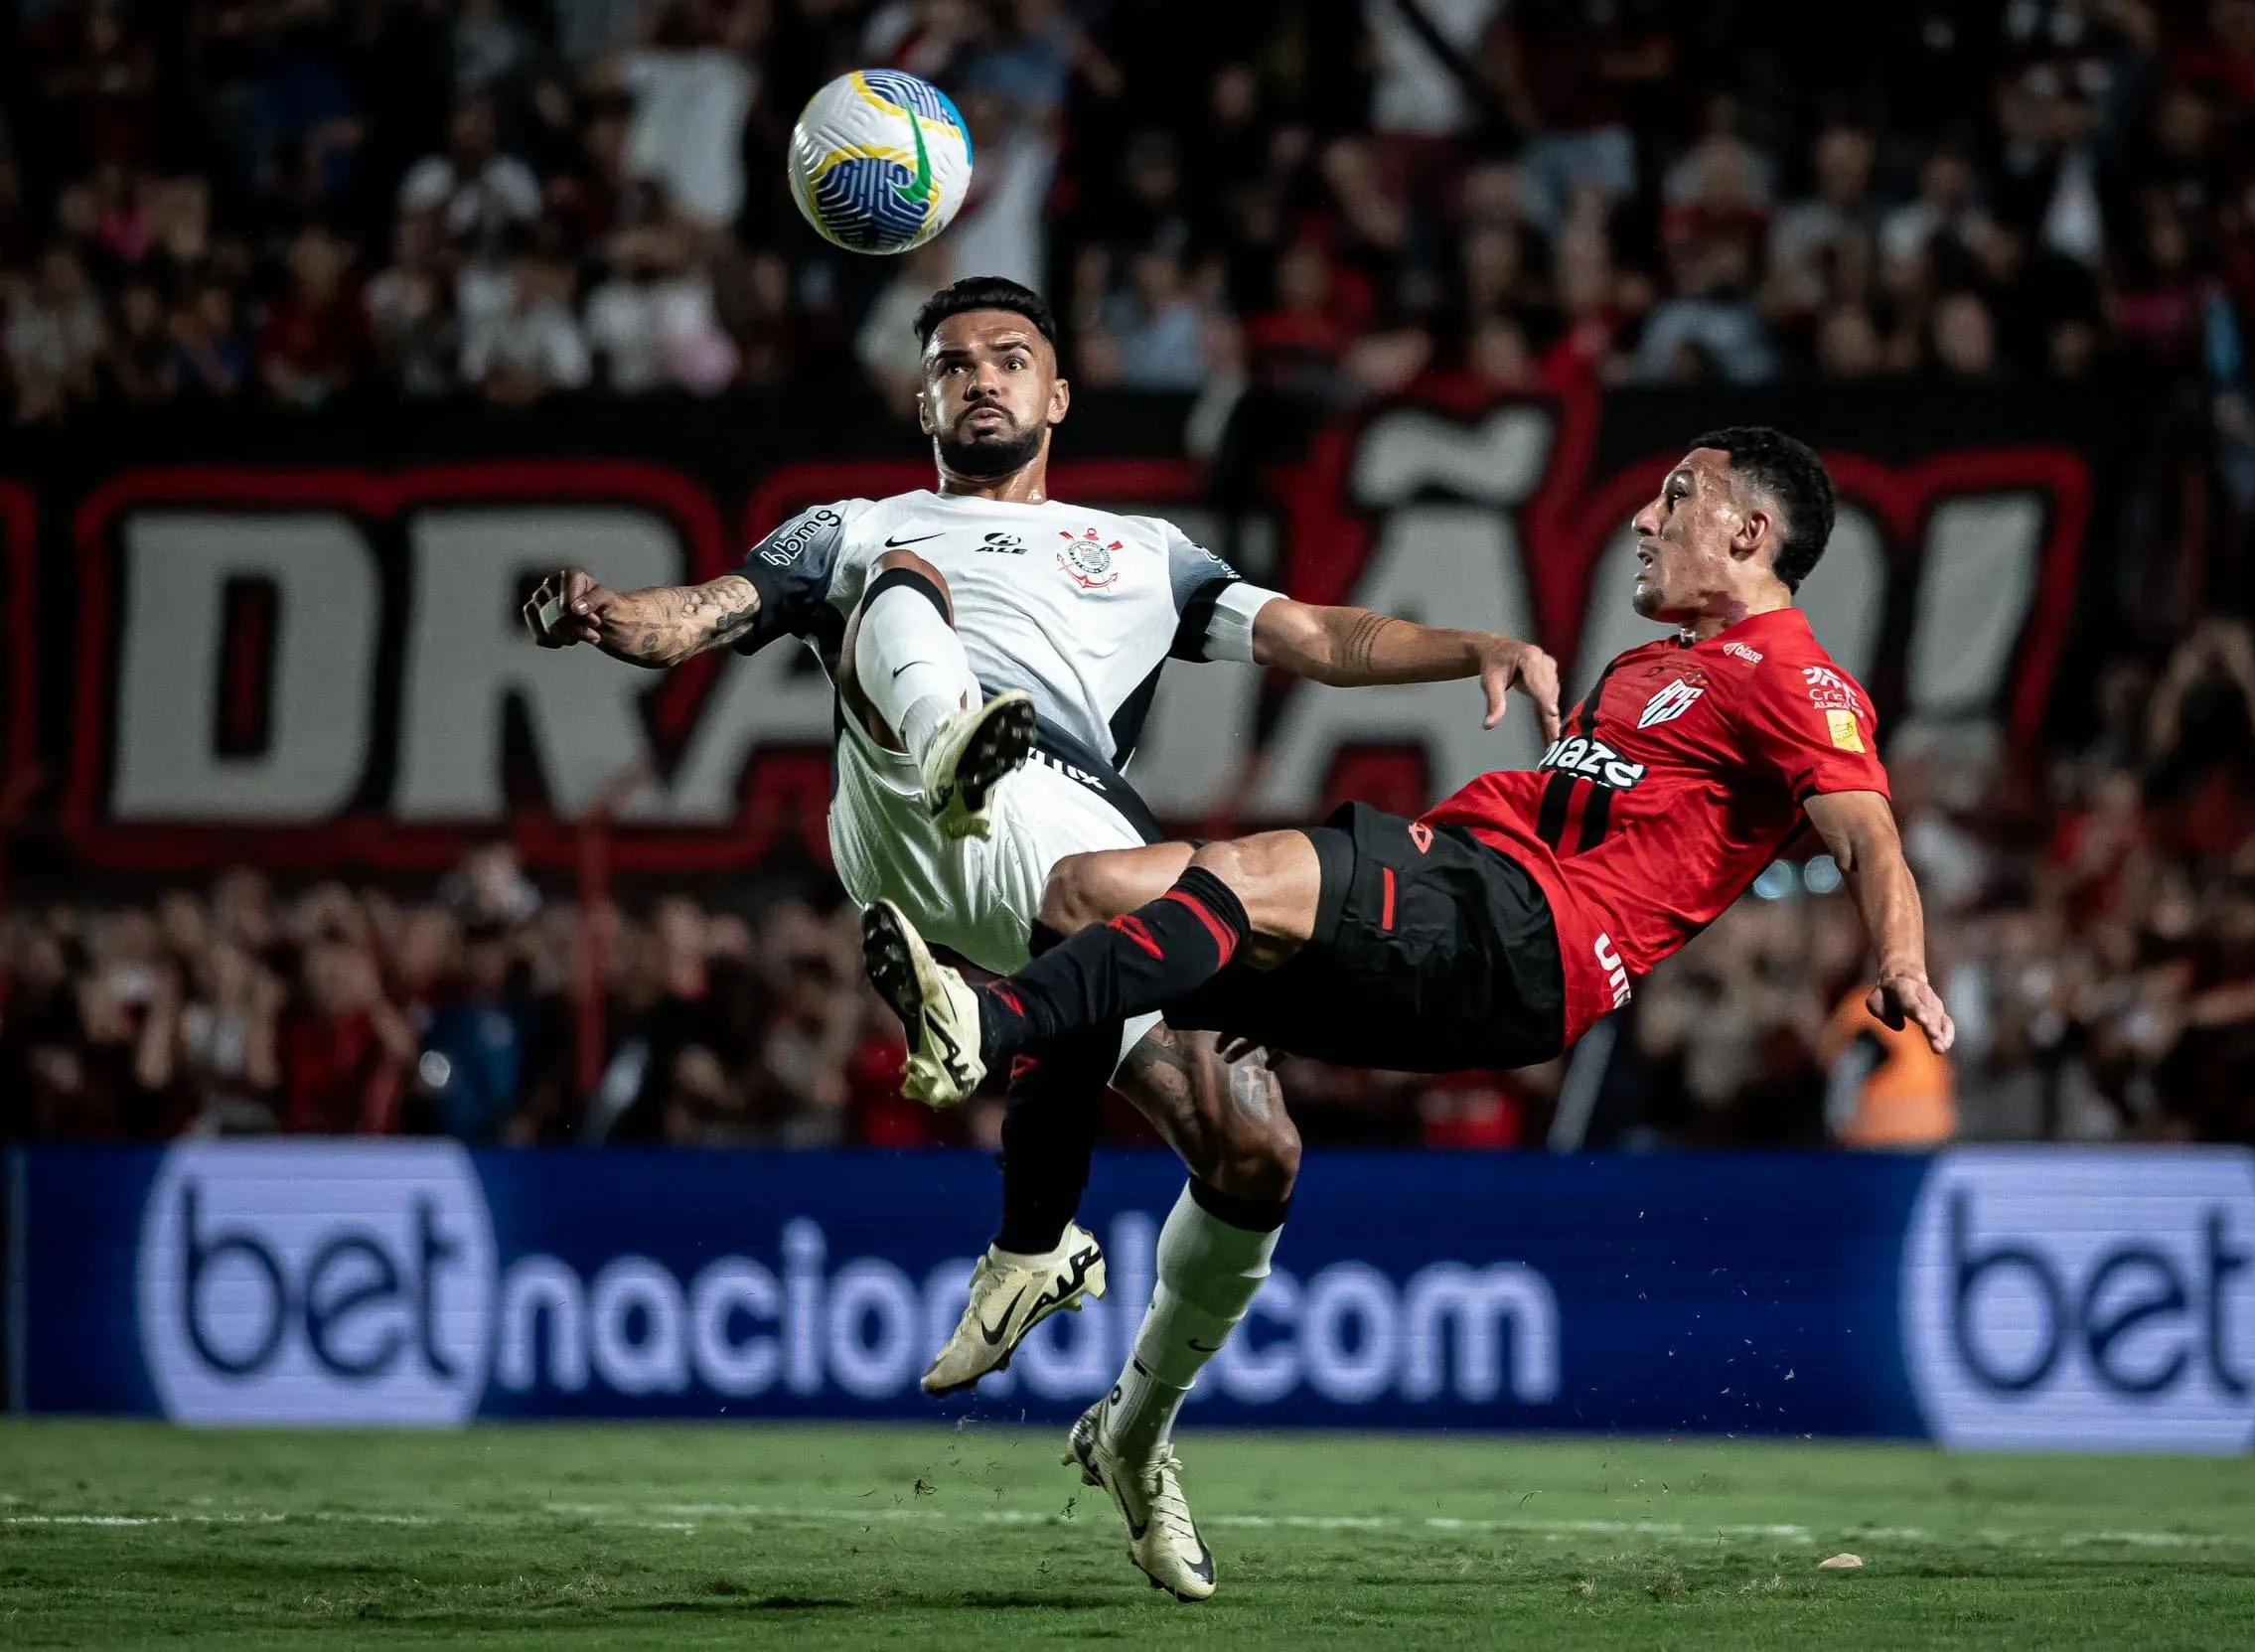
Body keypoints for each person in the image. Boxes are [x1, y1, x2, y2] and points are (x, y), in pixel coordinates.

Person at [522, 275, 1558, 1599]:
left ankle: (1131, 1422)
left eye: (1010, 358)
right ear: (923, 400)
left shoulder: (1140, 553)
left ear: (1058, 392)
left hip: (1067, 869)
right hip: (907, 814)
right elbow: (698, 615)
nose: (981, 379)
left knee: (1256, 1145)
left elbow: (1318, 635)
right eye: (952, 364)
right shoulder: (857, 524)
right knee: (900, 582)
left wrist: (1464, 640)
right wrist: (605, 613)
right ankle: (959, 741)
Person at [864, 417, 1958, 1301]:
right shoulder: (1643, 668)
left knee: (1239, 877)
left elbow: (1869, 837)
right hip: (1482, 932)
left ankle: (986, 1025)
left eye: (1677, 493)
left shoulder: (1797, 680)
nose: (1644, 515)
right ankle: (1033, 1254)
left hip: (1529, 927)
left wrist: (1900, 960)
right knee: (1088, 891)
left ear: (1749, 532)